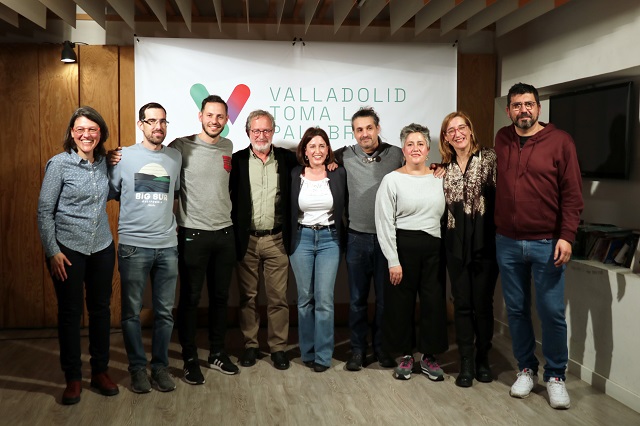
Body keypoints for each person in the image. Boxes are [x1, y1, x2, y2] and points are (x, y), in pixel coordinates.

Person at [495, 82, 583, 409]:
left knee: (551, 312)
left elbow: (572, 195)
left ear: (538, 108)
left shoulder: (560, 142)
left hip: (547, 243)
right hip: (507, 241)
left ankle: (555, 376)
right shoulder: (502, 138)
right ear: (509, 111)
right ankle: (526, 369)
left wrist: (567, 236)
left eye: (529, 104)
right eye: (517, 105)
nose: (524, 110)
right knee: (516, 310)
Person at [37, 106, 118, 405]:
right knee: (70, 315)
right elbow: (44, 211)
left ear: (100, 133)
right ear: (72, 133)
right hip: (67, 251)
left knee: (101, 311)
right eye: (80, 129)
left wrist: (117, 160)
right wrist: (53, 251)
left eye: (92, 129)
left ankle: (100, 371)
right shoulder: (58, 165)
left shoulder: (106, 164)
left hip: (102, 247)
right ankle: (73, 377)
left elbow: (114, 192)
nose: (86, 134)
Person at [109, 102, 181, 393]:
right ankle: (138, 369)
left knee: (165, 313)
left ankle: (160, 367)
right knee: (131, 313)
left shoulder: (175, 157)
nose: (157, 126)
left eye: (162, 121)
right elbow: (112, 192)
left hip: (168, 246)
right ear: (141, 125)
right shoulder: (124, 156)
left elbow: (174, 194)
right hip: (134, 247)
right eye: (151, 121)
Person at [171, 95, 238, 384]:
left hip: (225, 233)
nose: (214, 121)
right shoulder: (180, 146)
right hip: (193, 233)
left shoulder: (228, 146)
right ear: (200, 116)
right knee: (190, 299)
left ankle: (217, 353)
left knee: (221, 298)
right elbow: (155, 159)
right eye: (210, 115)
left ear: (226, 119)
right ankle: (189, 359)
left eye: (220, 116)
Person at [375, 123, 448, 381]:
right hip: (402, 248)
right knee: (400, 305)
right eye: (410, 144)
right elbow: (384, 222)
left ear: (428, 150)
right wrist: (393, 260)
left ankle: (428, 357)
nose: (415, 148)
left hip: (434, 249)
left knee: (433, 303)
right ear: (403, 150)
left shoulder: (440, 177)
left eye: (420, 144)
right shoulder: (391, 180)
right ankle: (405, 355)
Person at [334, 107, 404, 371]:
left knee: (385, 301)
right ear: (354, 133)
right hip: (356, 239)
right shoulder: (343, 155)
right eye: (359, 130)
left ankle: (382, 349)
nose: (364, 134)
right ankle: (357, 350)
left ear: (378, 128)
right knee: (356, 300)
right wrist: (329, 163)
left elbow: (416, 170)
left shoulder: (396, 154)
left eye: (369, 128)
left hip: (388, 240)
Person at [230, 110, 298, 370]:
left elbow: (317, 159)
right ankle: (251, 345)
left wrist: (333, 164)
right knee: (247, 297)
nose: (261, 135)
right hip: (246, 239)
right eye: (256, 130)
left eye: (266, 130)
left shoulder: (287, 159)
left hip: (276, 239)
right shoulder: (236, 161)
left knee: (278, 298)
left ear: (273, 131)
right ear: (248, 132)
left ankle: (278, 348)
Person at [438, 112, 499, 388]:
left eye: (462, 127)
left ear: (471, 130)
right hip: (455, 246)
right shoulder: (443, 169)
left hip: (486, 244)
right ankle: (466, 362)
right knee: (462, 305)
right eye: (451, 130)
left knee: (482, 305)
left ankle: (483, 358)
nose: (457, 133)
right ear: (446, 138)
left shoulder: (490, 158)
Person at [289, 127, 346, 373]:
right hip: (301, 238)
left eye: (322, 146)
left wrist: (336, 160)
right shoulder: (295, 174)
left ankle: (323, 355)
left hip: (329, 239)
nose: (317, 151)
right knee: (304, 299)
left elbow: (349, 152)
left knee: (324, 300)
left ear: (328, 149)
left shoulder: (338, 173)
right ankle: (307, 352)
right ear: (304, 150)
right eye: (312, 146)